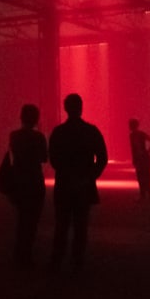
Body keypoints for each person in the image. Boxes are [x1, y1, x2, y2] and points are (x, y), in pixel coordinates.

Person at [47, 93, 107, 270]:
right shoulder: (91, 131)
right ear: (81, 108)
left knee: (62, 224)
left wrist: (67, 173)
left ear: (66, 108)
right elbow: (102, 158)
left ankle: (57, 260)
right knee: (81, 226)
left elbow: (54, 159)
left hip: (64, 184)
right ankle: (77, 261)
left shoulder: (58, 132)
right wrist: (90, 176)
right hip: (84, 185)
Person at [6, 103, 47, 268]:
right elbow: (44, 158)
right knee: (32, 220)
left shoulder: (14, 135)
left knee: (22, 218)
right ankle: (27, 253)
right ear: (36, 118)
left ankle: (19, 253)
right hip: (34, 180)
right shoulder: (39, 137)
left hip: (19, 179)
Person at [127, 118, 150, 201]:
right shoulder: (141, 134)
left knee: (140, 176)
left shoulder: (132, 135)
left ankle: (143, 195)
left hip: (140, 158)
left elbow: (135, 148)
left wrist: (135, 159)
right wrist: (148, 151)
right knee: (147, 176)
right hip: (145, 157)